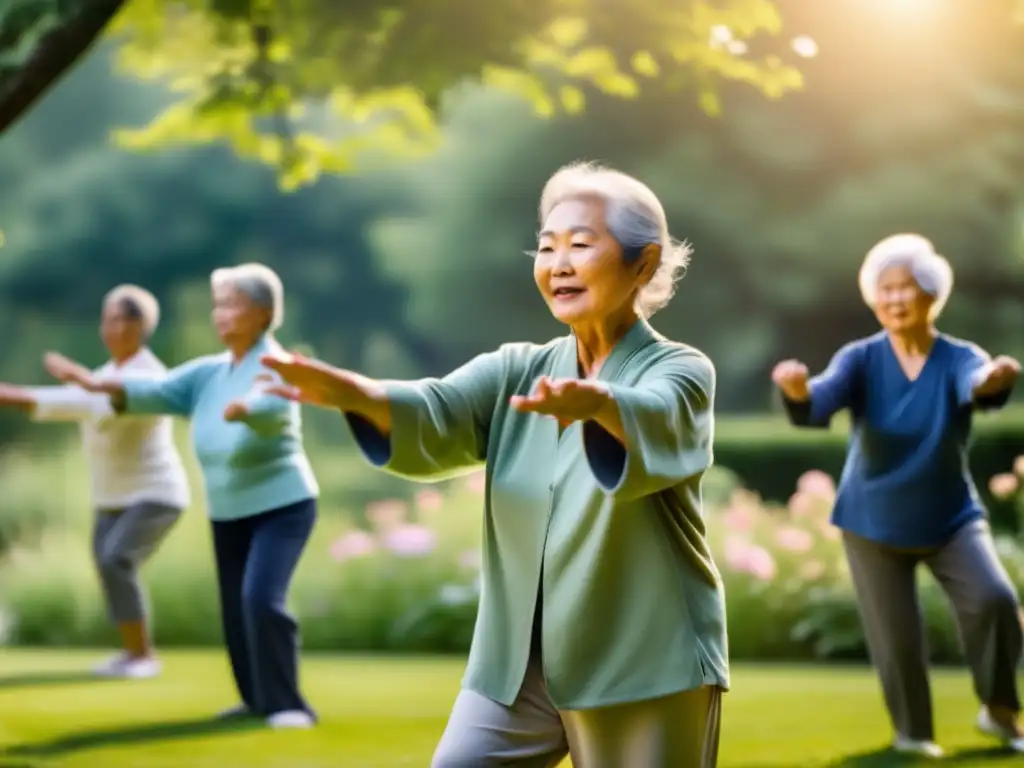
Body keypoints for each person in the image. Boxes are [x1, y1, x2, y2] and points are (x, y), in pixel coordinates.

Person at [263, 162, 728, 767]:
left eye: (581, 246)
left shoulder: (681, 369)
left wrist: (600, 404)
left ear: (643, 263)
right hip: (517, 666)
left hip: (641, 656)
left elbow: (661, 416)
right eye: (546, 248)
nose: (558, 264)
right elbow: (436, 410)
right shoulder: (519, 369)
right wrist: (358, 393)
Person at [771, 233, 1023, 759]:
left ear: (931, 295)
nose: (895, 299)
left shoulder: (957, 358)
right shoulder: (860, 359)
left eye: (907, 287)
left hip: (950, 516)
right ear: (873, 298)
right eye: (885, 289)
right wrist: (797, 391)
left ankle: (999, 710)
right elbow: (819, 402)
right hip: (872, 520)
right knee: (897, 640)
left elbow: (976, 384)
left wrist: (994, 379)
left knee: (994, 599)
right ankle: (914, 734)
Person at [45, 263, 319, 730]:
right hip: (229, 509)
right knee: (235, 607)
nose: (220, 314)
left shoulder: (274, 364)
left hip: (282, 507)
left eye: (231, 304)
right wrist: (94, 385)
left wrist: (246, 410)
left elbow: (274, 403)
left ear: (262, 313)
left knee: (261, 599)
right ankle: (254, 700)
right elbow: (154, 390)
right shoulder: (207, 374)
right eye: (218, 305)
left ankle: (289, 705)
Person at [0, 284, 189, 679]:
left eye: (120, 319)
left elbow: (102, 404)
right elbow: (66, 399)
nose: (111, 328)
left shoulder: (151, 376)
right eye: (107, 319)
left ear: (140, 327)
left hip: (156, 494)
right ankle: (131, 653)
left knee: (116, 559)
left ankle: (143, 658)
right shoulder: (104, 374)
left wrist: (74, 385)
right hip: (113, 496)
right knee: (107, 565)